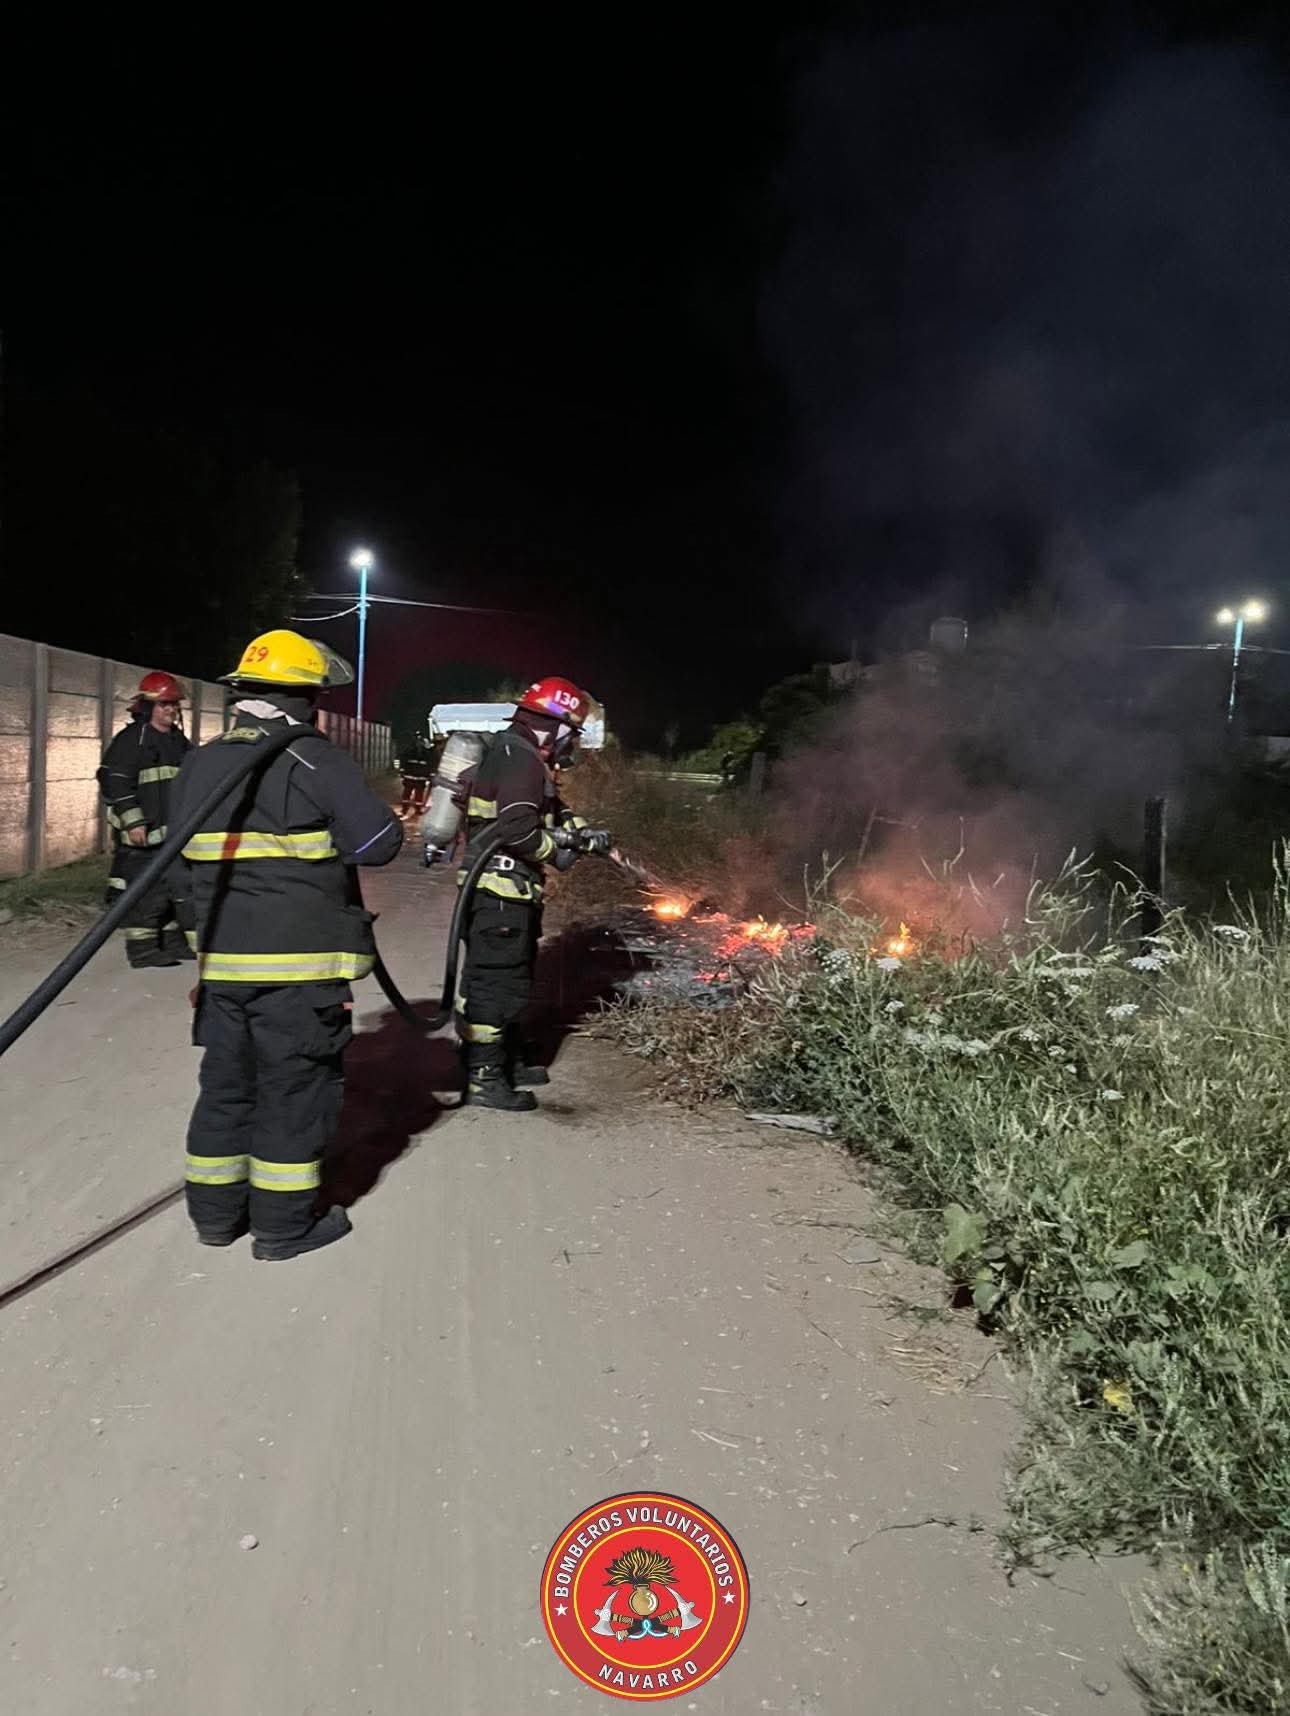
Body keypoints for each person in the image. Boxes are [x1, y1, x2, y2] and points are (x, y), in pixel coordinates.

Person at [172, 629, 403, 1260]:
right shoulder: (312, 758)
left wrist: (204, 954)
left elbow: (178, 870)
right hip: (298, 975)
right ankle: (282, 1228)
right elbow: (377, 843)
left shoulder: (199, 763)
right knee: (293, 1092)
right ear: (304, 698)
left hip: (223, 970)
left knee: (225, 1089)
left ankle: (215, 1219)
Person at [448, 676, 610, 1112]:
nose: (572, 744)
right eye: (572, 733)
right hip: (501, 893)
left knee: (499, 978)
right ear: (553, 725)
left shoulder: (517, 752)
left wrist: (583, 833)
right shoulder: (520, 760)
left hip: (500, 891)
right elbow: (519, 830)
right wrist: (557, 850)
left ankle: (501, 1059)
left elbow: (551, 809)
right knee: (496, 984)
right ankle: (484, 1078)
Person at [96, 671, 193, 968]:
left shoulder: (177, 741)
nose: (171, 710)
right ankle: (142, 950)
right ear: (149, 706)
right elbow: (116, 783)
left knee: (172, 888)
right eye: (165, 704)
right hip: (142, 834)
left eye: (174, 704)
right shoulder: (131, 740)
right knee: (146, 891)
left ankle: (172, 942)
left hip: (170, 834)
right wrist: (134, 821)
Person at [396, 731, 435, 818]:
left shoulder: (413, 752)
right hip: (415, 778)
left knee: (414, 795)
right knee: (411, 795)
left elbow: (430, 765)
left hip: (415, 778)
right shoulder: (425, 753)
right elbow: (403, 761)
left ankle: (412, 810)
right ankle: (409, 810)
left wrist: (402, 773)